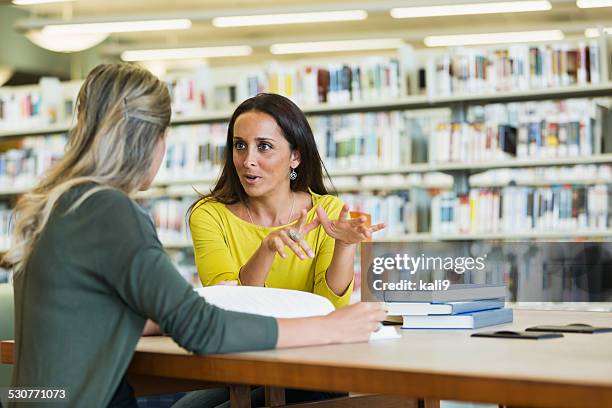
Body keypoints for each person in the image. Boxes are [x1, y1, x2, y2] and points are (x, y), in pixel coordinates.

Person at [3, 64, 386, 408]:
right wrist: (330, 327)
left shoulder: (53, 205)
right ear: (148, 138)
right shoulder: (110, 211)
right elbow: (201, 327)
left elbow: (95, 311)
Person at [189, 93, 384, 308]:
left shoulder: (327, 211)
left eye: (264, 146)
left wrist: (345, 246)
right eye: (240, 146)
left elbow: (330, 307)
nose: (247, 161)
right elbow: (229, 306)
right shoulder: (209, 216)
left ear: (295, 157)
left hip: (311, 340)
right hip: (245, 340)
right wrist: (267, 249)